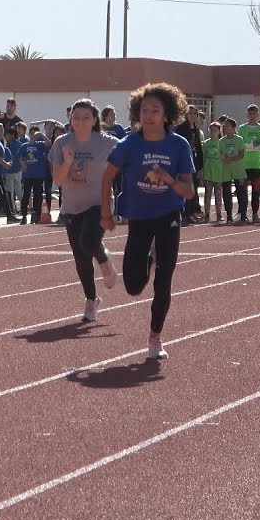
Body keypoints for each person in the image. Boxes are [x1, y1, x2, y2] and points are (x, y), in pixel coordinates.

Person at [101, 83, 196, 360]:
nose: (149, 115)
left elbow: (188, 191)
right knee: (132, 286)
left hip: (168, 215)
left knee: (164, 280)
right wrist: (106, 213)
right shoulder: (129, 144)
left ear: (167, 114)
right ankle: (149, 260)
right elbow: (107, 177)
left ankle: (155, 336)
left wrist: (168, 179)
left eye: (155, 110)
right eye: (144, 110)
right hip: (139, 217)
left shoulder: (178, 145)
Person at [50, 99, 119, 322]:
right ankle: (91, 300)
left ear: (94, 120)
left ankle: (103, 258)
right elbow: (58, 180)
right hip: (71, 206)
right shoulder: (62, 142)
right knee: (80, 260)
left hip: (98, 203)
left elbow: (130, 153)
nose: (80, 122)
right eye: (76, 117)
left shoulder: (106, 142)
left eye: (86, 117)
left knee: (88, 242)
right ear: (70, 119)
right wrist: (68, 163)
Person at [238, 105, 260, 221]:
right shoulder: (242, 129)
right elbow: (241, 145)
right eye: (250, 114)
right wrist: (252, 145)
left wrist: (250, 145)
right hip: (244, 165)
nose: (252, 116)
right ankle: (242, 214)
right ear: (247, 115)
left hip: (258, 165)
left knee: (256, 191)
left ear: (258, 115)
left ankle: (255, 214)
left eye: (254, 114)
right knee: (242, 191)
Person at [218, 117, 245, 224]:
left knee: (241, 192)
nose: (225, 127)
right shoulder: (221, 141)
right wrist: (223, 157)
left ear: (234, 128)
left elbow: (241, 154)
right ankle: (229, 215)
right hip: (226, 170)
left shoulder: (239, 139)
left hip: (238, 170)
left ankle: (242, 214)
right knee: (227, 193)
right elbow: (220, 154)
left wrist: (232, 158)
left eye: (228, 125)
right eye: (224, 126)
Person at [200, 121, 223, 223]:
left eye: (215, 130)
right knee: (207, 195)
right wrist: (202, 170)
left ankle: (219, 214)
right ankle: (207, 214)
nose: (213, 132)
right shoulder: (206, 143)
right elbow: (203, 158)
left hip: (219, 173)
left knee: (218, 195)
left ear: (219, 131)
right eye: (211, 130)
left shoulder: (222, 142)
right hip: (209, 172)